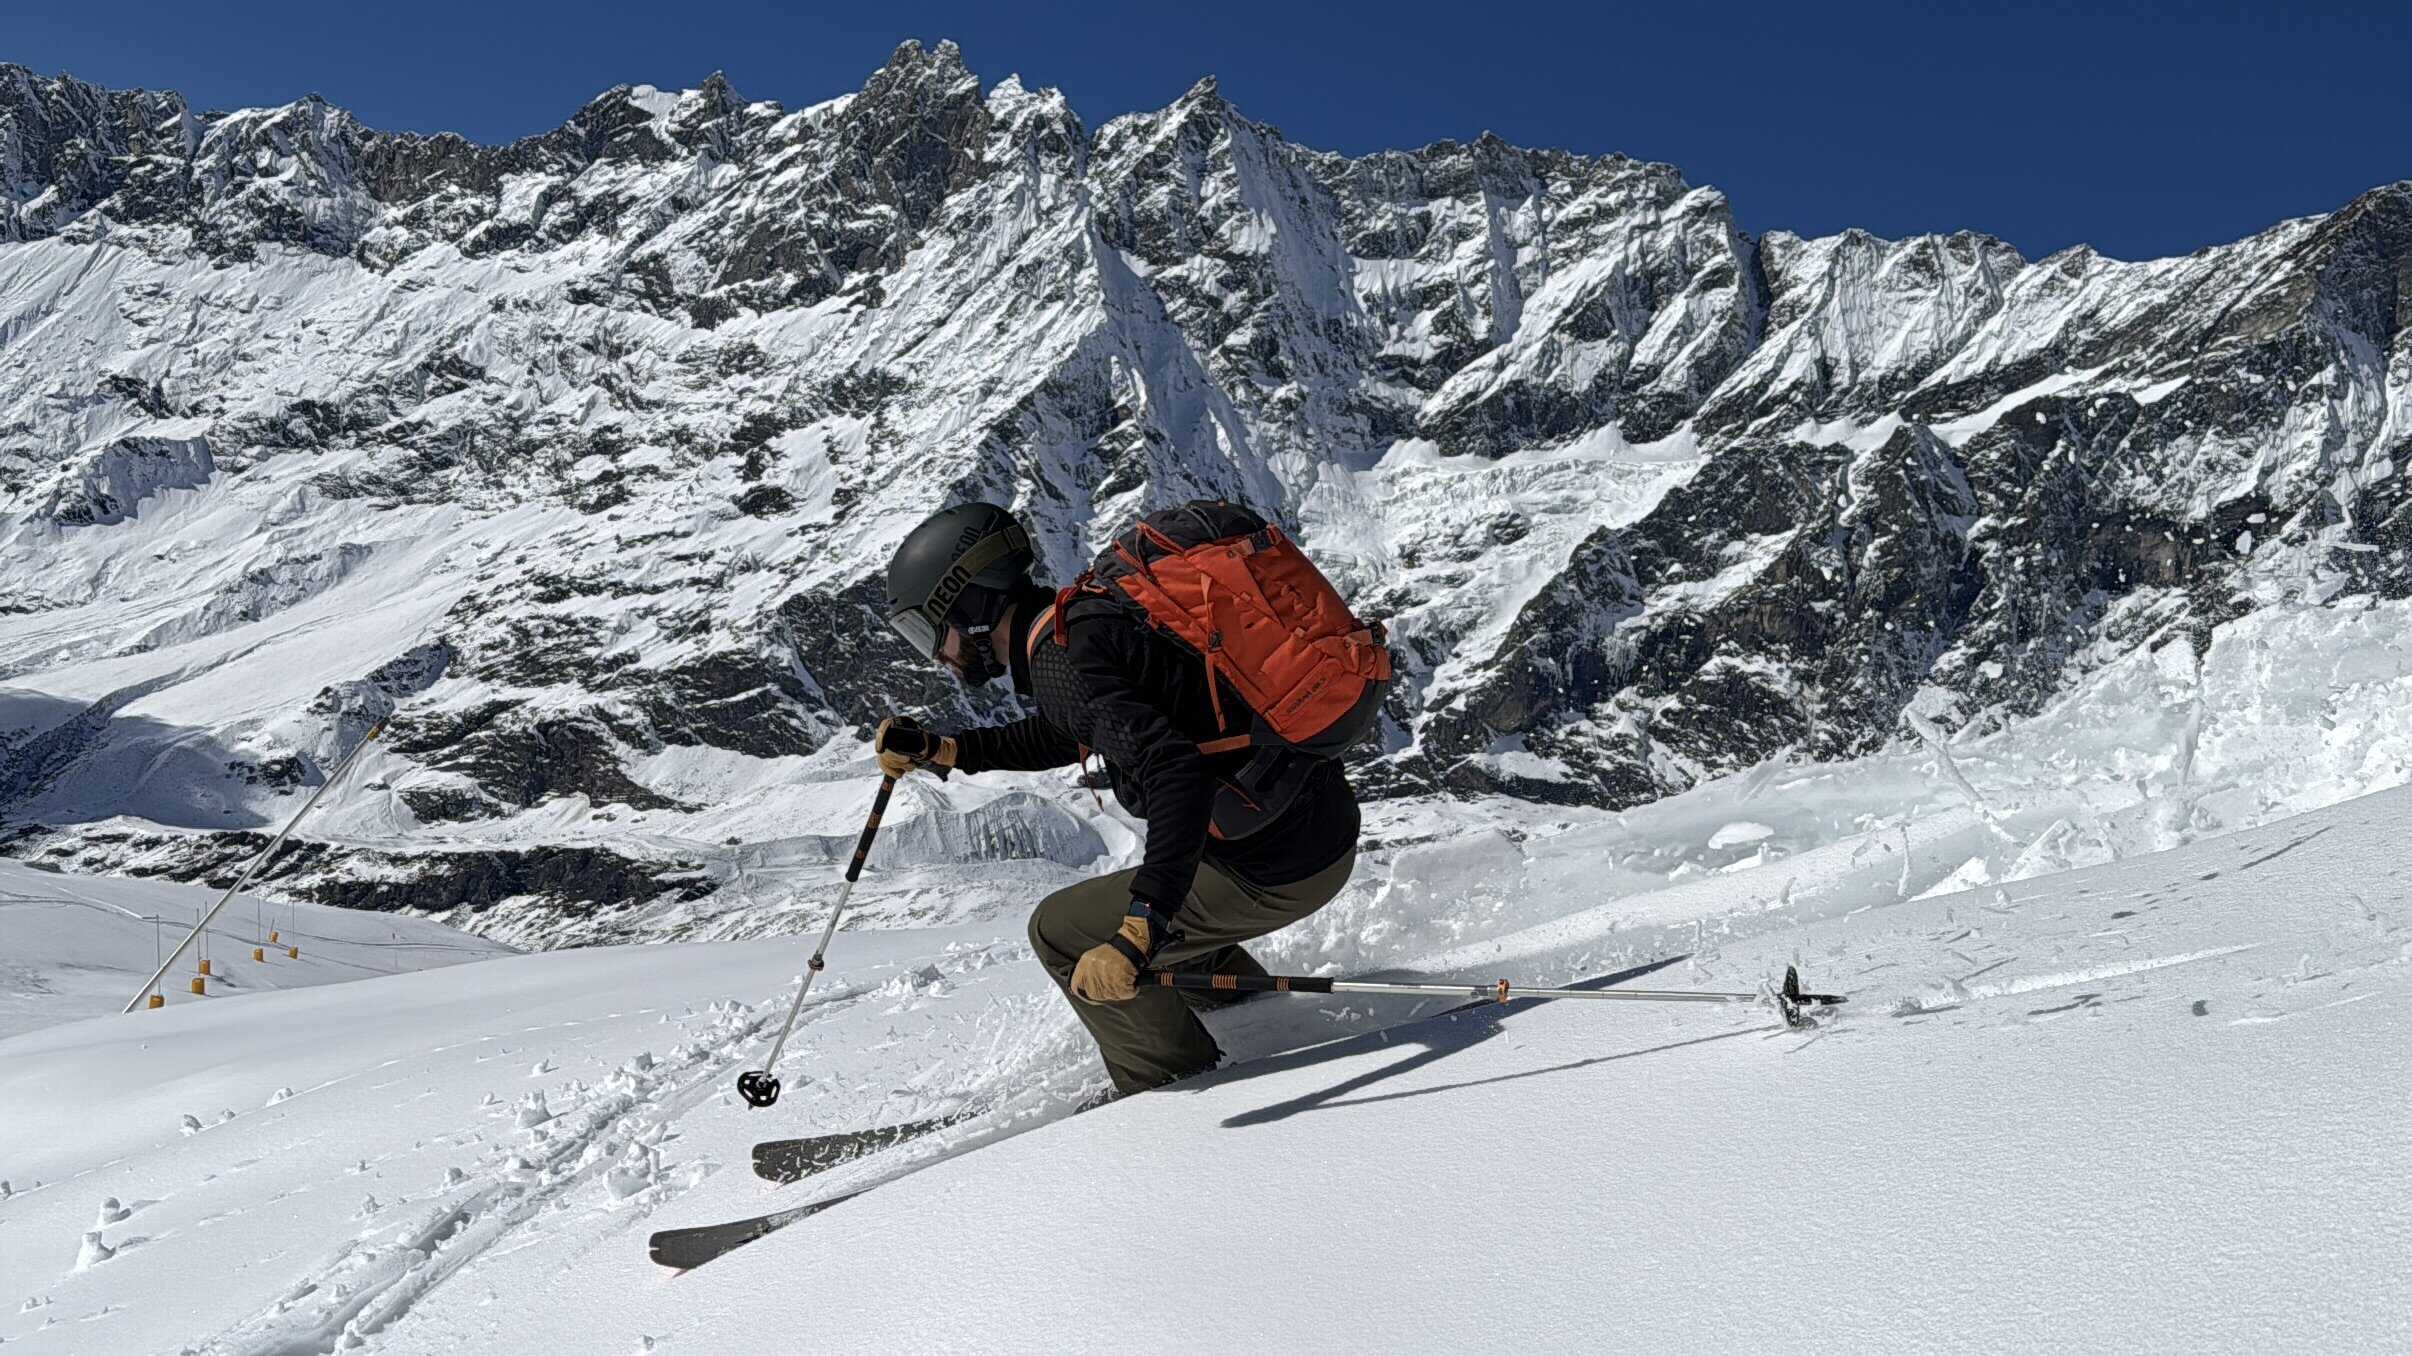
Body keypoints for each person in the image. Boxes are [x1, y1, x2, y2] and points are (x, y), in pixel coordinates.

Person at [872, 502, 1361, 1094]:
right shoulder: (1080, 622)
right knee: (1143, 899)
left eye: (928, 632)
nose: (937, 656)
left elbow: (1174, 770)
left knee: (1062, 931)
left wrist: (1142, 925)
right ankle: (1255, 1019)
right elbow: (1077, 728)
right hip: (1309, 823)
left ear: (969, 604)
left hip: (1275, 866)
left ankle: (1168, 1085)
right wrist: (947, 750)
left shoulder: (1064, 659)